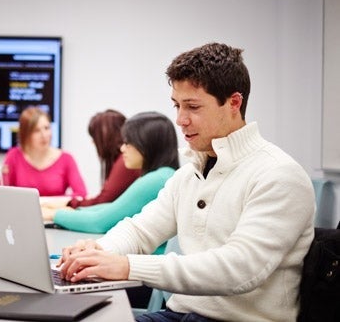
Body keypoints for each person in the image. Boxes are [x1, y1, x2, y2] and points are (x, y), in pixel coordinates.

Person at [57, 43, 315, 322]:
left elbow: (239, 269)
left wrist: (127, 266)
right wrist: (98, 252)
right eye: (177, 105)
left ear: (234, 103)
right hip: (179, 315)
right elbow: (141, 231)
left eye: (192, 106)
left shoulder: (279, 175)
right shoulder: (189, 173)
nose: (180, 119)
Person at [42, 111, 179, 236]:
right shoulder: (163, 175)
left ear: (147, 144)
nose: (122, 148)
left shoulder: (156, 180)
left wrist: (53, 214)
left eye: (128, 142)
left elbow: (99, 222)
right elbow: (112, 208)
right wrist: (73, 211)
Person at [0, 106, 87, 198]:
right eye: (36, 130)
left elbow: (81, 194)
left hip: (55, 211)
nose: (44, 135)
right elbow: (2, 193)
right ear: (25, 134)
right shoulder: (13, 156)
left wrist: (53, 203)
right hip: (22, 212)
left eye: (46, 128)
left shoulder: (66, 159)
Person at [61, 109, 141, 208]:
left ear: (105, 137)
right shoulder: (123, 160)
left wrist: (70, 204)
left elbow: (103, 201)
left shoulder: (124, 162)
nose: (93, 142)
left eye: (95, 137)